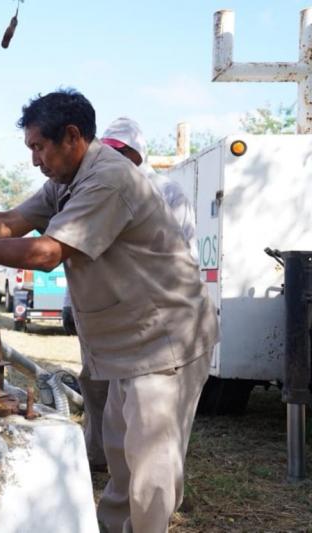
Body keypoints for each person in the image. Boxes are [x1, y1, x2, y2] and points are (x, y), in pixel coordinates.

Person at [0, 88, 218, 533]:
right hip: (128, 342)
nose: (35, 159)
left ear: (71, 136)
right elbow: (12, 222)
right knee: (121, 458)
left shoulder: (109, 179)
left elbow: (46, 253)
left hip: (165, 340)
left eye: (39, 146)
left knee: (152, 471)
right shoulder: (64, 182)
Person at [71, 116, 199, 473]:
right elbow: (76, 250)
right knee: (98, 387)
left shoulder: (166, 191)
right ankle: (99, 457)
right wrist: (71, 304)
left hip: (150, 315)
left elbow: (184, 252)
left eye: (122, 153)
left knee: (150, 406)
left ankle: (156, 475)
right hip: (102, 311)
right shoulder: (92, 188)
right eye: (108, 152)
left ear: (137, 155)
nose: (114, 159)